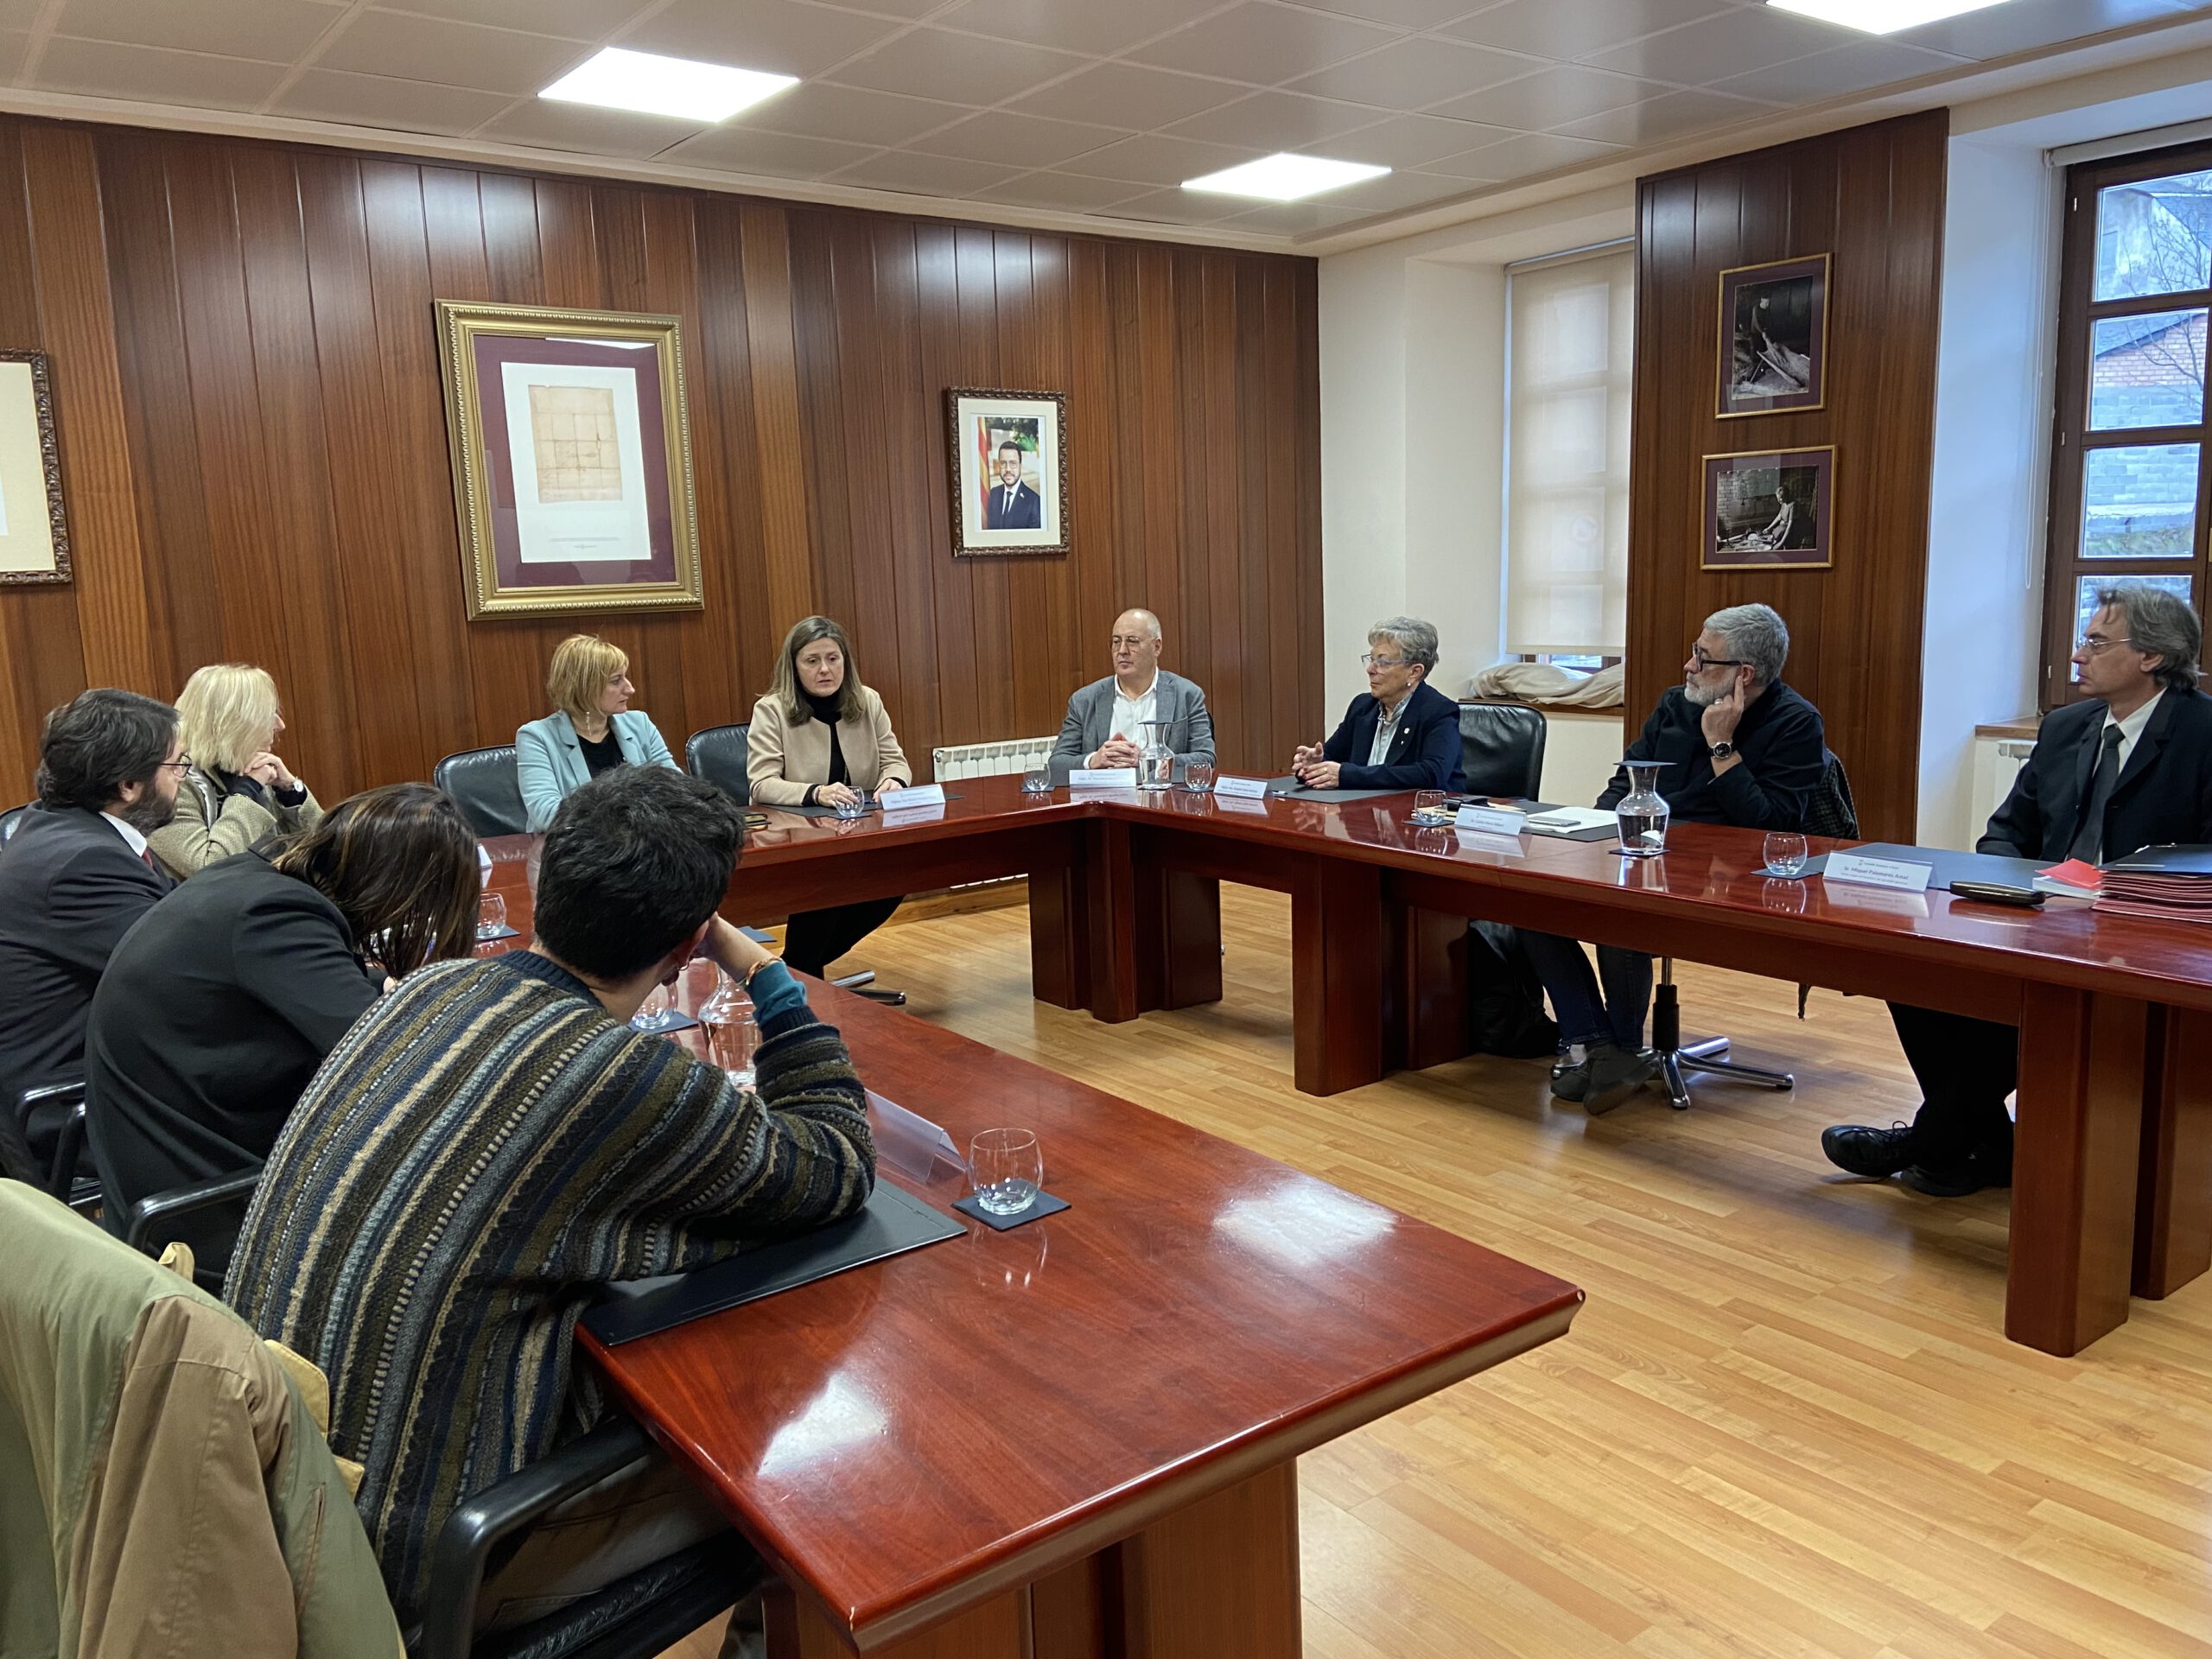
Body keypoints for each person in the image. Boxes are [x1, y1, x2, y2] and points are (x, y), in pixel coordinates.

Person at [224, 767, 875, 1633]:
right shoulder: (614, 1075)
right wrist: (766, 972)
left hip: (270, 1504)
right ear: (685, 948)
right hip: (412, 1572)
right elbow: (835, 1164)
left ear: (547, 883)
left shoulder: (425, 991)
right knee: (773, 1476)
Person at [1826, 583, 2212, 1197]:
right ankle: (1987, 1147)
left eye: (2096, 642)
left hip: (2144, 936)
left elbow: (2203, 863)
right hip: (2042, 916)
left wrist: (2121, 900)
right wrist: (2010, 890)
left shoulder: (2203, 732)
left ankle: (1928, 1145)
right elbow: (2006, 831)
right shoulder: (2066, 727)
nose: (2078, 655)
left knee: (2028, 1005)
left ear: (2152, 656)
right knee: (1912, 969)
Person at [84, 784, 479, 1269]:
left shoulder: (255, 879)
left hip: (167, 1152)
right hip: (203, 1207)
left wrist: (378, 985)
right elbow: (394, 1064)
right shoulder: (276, 915)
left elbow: (305, 982)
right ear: (399, 888)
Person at [1524, 603, 1825, 1114]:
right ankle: (1600, 1046)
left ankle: (1617, 1050)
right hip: (1649, 853)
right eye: (1693, 652)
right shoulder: (1675, 703)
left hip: (1730, 876)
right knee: (1532, 901)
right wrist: (1593, 835)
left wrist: (1721, 744)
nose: (1689, 666)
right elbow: (1626, 782)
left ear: (1744, 674)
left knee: (1623, 914)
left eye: (1703, 658)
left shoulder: (1795, 722)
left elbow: (1769, 826)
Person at [0, 690, 182, 1166]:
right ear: (129, 785)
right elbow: (185, 978)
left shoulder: (58, 827)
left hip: (87, 1079)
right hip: (65, 1113)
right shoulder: (84, 862)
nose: (182, 779)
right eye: (177, 766)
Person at [748, 616, 913, 978]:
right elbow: (761, 784)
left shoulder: (868, 701)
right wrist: (816, 792)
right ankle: (801, 972)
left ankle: (796, 970)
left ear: (845, 662)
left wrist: (894, 781)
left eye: (833, 658)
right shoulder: (772, 710)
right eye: (812, 660)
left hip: (862, 832)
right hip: (801, 839)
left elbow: (895, 761)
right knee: (824, 885)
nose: (825, 669)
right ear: (794, 667)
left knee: (899, 876)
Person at [149, 663, 323, 878]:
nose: (280, 725)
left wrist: (290, 791)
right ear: (231, 724)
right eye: (267, 715)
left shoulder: (248, 766)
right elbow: (210, 868)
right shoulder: (169, 782)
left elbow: (328, 854)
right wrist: (246, 794)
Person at [516, 633, 679, 832]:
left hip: (642, 843)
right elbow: (548, 815)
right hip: (576, 848)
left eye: (625, 677)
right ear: (585, 687)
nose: (630, 689)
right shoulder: (537, 737)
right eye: (616, 681)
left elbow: (677, 790)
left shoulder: (640, 724)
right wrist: (636, 811)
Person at [1291, 616, 1466, 792]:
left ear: (1414, 672)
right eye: (1372, 659)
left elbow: (1431, 773)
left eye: (1382, 662)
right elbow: (1333, 757)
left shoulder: (1438, 711)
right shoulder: (1362, 707)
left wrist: (1349, 776)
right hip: (1362, 805)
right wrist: (1315, 765)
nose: (1370, 670)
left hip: (1418, 807)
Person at [1048, 608, 1216, 785]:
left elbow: (1206, 758)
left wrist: (1150, 760)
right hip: (1104, 798)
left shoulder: (1187, 695)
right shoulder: (1084, 700)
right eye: (1116, 642)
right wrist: (1093, 760)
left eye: (1132, 641)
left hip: (1163, 797)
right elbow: (1057, 764)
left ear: (1156, 647)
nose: (1122, 650)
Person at [982, 441, 1042, 530]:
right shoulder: (993, 494)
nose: (1008, 469)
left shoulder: (1034, 501)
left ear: (1021, 466)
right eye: (1003, 463)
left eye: (1013, 463)